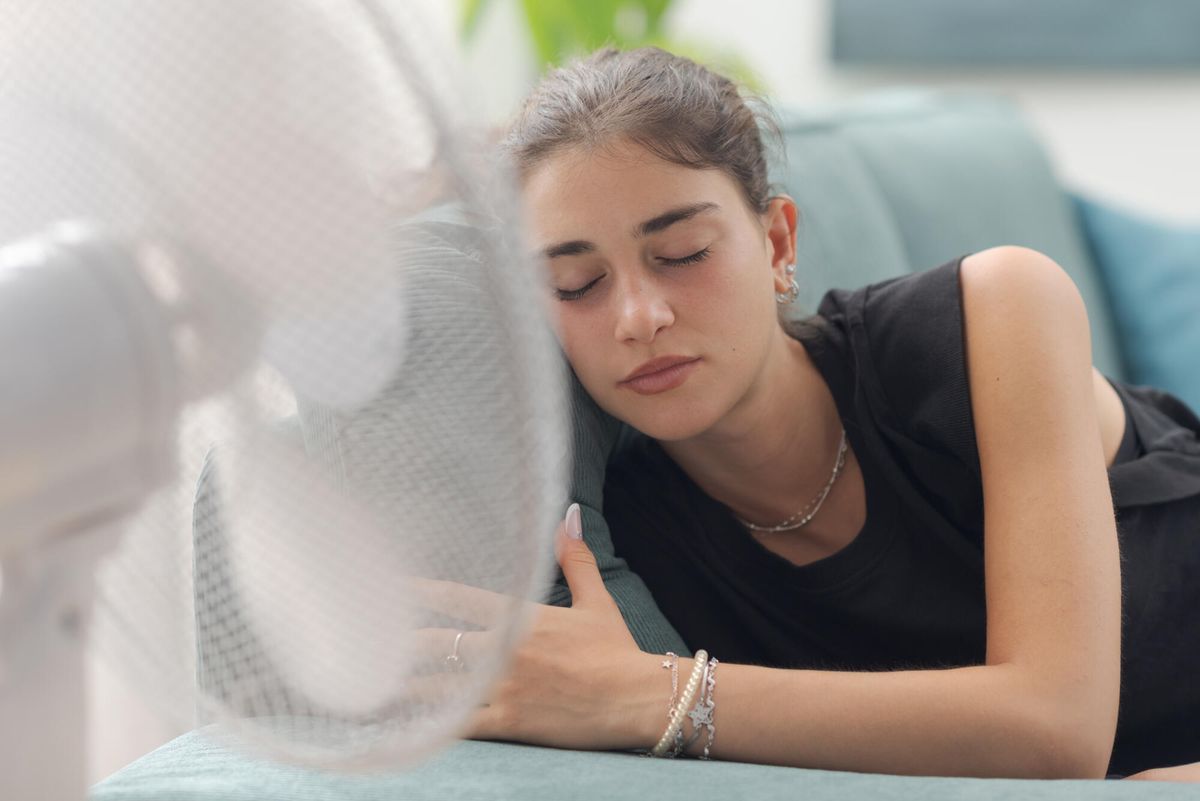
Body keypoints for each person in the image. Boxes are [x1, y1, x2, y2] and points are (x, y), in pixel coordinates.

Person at [444, 46, 1200, 782]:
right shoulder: (626, 530)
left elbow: (1058, 726)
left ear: (778, 243)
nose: (639, 317)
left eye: (681, 253)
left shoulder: (993, 316)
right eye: (577, 283)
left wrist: (653, 694)